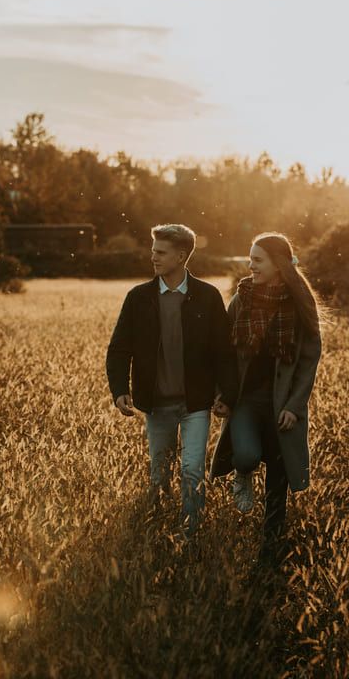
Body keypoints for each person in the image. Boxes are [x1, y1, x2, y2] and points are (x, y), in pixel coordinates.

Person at [107, 224, 237, 536]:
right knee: (159, 473)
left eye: (160, 252)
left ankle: (191, 534)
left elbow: (223, 352)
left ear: (181, 256)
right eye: (153, 250)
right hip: (156, 404)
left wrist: (227, 394)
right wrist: (119, 390)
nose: (153, 257)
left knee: (192, 470)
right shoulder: (138, 298)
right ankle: (157, 532)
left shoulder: (207, 297)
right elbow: (119, 348)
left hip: (195, 403)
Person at [210, 232, 323, 565]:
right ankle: (242, 475)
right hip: (246, 401)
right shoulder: (242, 299)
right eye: (250, 258)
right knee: (244, 455)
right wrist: (222, 395)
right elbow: (225, 354)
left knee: (278, 479)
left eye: (257, 259)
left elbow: (308, 360)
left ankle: (269, 551)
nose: (250, 265)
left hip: (282, 405)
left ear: (278, 264)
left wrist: (295, 406)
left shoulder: (300, 302)